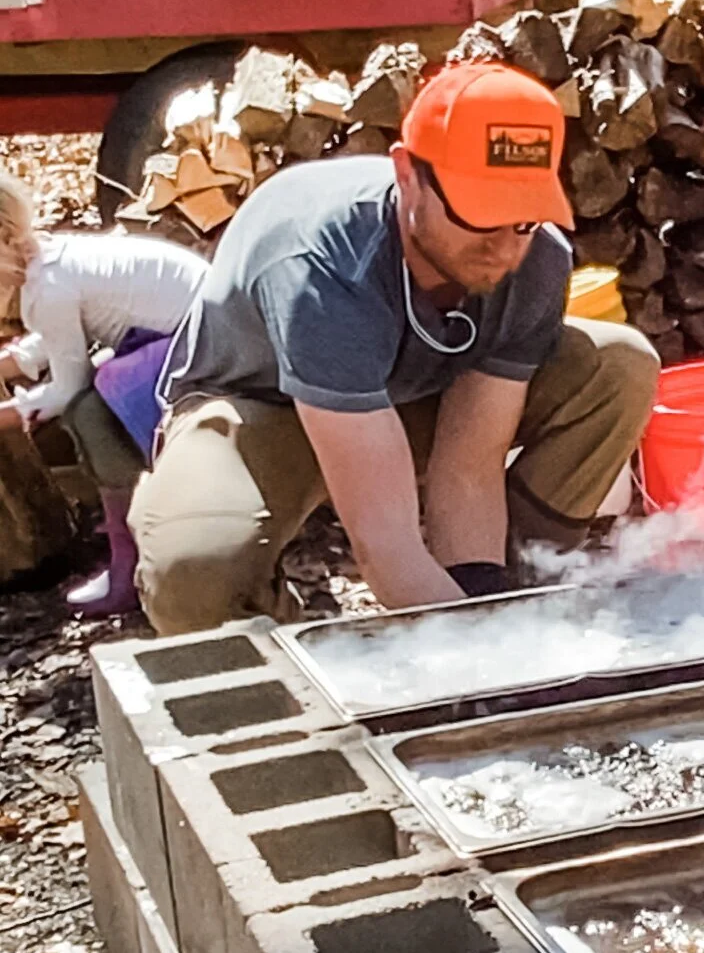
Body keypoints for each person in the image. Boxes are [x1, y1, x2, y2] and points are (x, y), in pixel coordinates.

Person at [133, 61, 661, 637]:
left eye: (524, 218)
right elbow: (384, 543)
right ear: (408, 175)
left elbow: (469, 467)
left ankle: (520, 593)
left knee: (618, 364)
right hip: (260, 412)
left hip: (407, 393)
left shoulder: (537, 258)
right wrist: (473, 657)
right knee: (193, 571)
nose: (504, 249)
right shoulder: (320, 265)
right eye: (480, 215)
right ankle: (294, 671)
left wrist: (489, 621)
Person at [0, 170, 209, 614]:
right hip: (184, 331)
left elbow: (67, 386)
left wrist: (15, 411)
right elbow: (58, 336)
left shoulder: (48, 288)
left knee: (90, 413)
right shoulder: (49, 261)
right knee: (97, 390)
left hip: (204, 345)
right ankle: (123, 528)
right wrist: (13, 364)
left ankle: (129, 561)